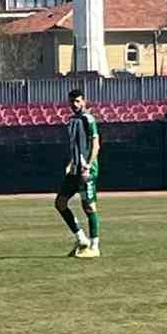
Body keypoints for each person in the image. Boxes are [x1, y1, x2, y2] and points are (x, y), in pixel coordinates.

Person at [55, 88, 101, 257]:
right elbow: (75, 147)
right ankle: (82, 239)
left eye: (77, 101)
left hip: (86, 170)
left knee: (88, 206)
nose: (74, 104)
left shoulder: (88, 119)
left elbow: (96, 145)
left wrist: (88, 166)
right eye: (72, 101)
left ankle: (95, 246)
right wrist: (70, 163)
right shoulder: (71, 120)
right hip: (74, 169)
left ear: (84, 101)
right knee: (60, 203)